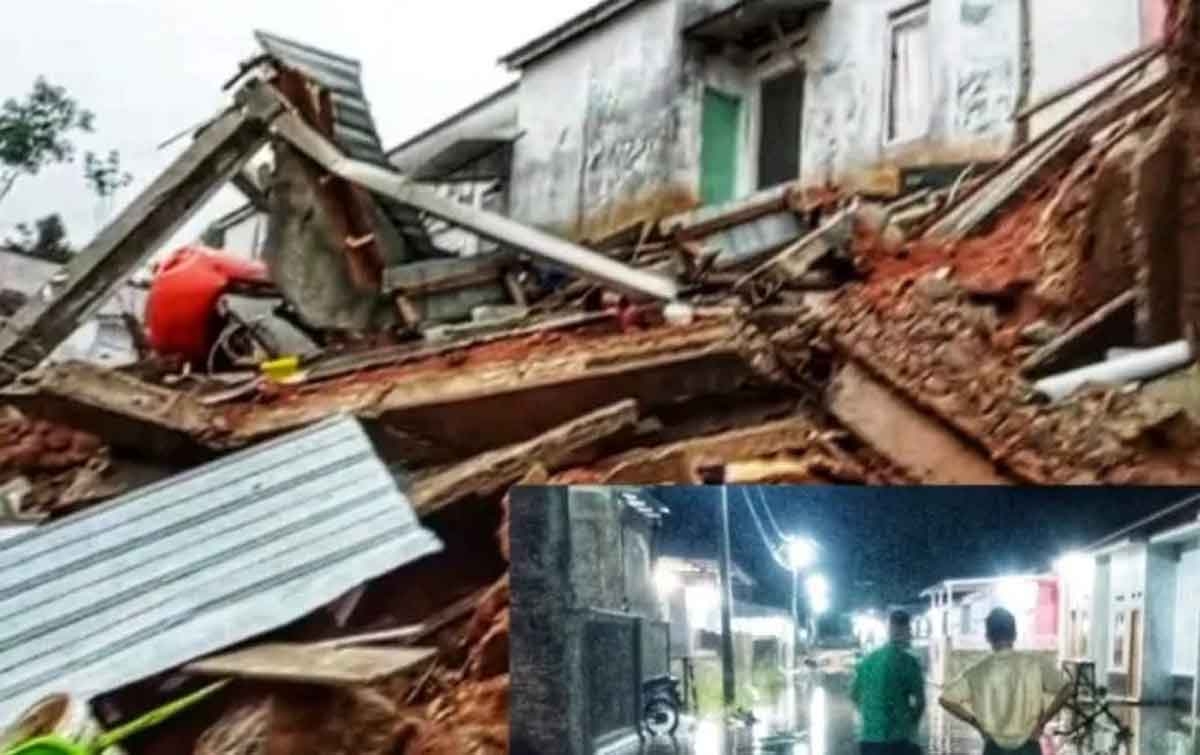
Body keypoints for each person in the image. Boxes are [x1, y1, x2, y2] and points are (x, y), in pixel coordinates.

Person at [939, 607, 1073, 755]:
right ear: (1015, 635)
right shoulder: (1035, 664)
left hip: (994, 747)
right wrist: (1043, 722)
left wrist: (976, 723)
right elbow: (1067, 688)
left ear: (988, 637)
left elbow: (946, 699)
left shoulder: (977, 672)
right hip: (1029, 746)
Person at [851, 610, 926, 755]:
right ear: (907, 631)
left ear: (889, 629)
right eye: (909, 631)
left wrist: (870, 716)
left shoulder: (867, 661)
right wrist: (911, 724)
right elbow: (920, 702)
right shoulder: (909, 663)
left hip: (869, 740)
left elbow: (854, 695)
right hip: (899, 740)